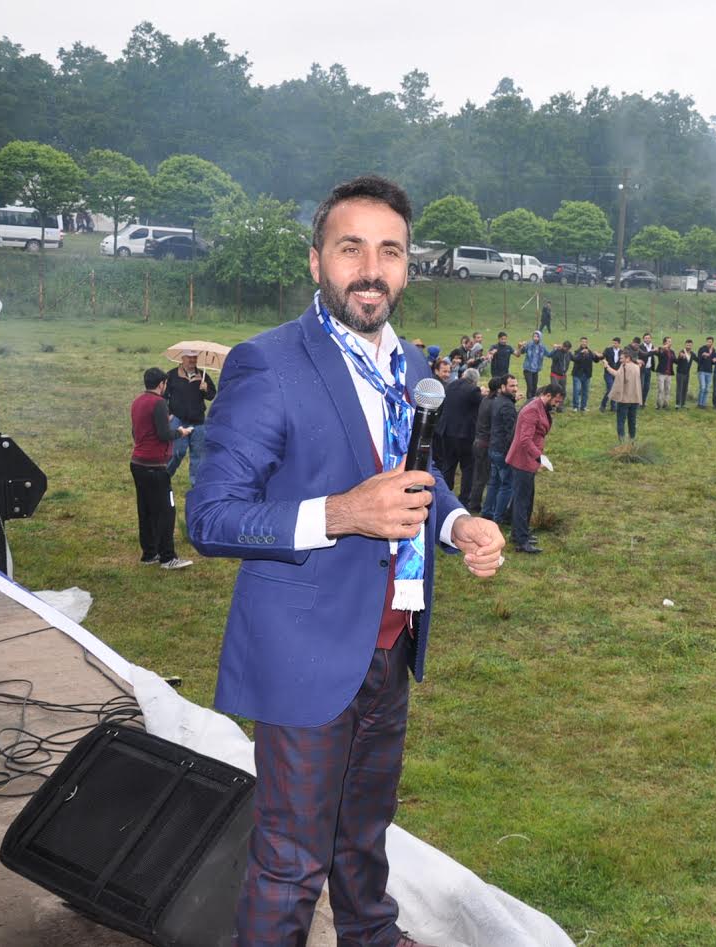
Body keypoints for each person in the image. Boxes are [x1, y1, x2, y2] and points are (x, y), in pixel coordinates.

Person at [187, 175, 505, 946]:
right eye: (350, 247)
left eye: (389, 251)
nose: (371, 268)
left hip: (390, 642)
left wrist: (457, 521)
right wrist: (341, 513)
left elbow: (412, 473)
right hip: (305, 648)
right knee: (291, 858)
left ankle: (370, 932)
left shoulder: (409, 361)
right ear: (315, 260)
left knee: (365, 829)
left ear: (407, 267)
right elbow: (210, 515)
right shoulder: (268, 363)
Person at [131, 367, 193, 569]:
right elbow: (164, 435)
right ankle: (168, 558)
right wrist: (181, 432)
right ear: (161, 384)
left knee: (146, 510)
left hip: (138, 463)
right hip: (155, 466)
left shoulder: (137, 401)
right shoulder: (159, 403)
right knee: (167, 511)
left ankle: (149, 554)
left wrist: (163, 423)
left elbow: (137, 431)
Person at [506, 382, 563, 554]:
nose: (557, 405)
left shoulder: (540, 407)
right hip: (523, 461)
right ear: (547, 395)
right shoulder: (532, 410)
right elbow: (525, 440)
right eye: (556, 401)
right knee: (522, 501)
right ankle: (521, 541)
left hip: (528, 461)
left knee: (525, 499)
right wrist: (540, 457)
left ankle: (518, 533)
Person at [164, 350, 216, 485]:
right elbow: (163, 395)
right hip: (178, 420)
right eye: (189, 357)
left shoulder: (203, 376)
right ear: (182, 358)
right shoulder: (171, 375)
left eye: (194, 357)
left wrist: (206, 389)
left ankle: (196, 485)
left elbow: (211, 395)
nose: (193, 360)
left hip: (198, 422)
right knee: (177, 452)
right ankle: (164, 478)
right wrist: (167, 413)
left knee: (198, 456)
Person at [437, 367, 481, 499]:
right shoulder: (473, 390)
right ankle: (464, 498)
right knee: (467, 468)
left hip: (446, 432)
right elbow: (481, 405)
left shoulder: (450, 386)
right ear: (474, 381)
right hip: (464, 435)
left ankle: (445, 495)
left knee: (448, 466)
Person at [483, 375, 522, 523]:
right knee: (507, 485)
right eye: (512, 386)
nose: (515, 388)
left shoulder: (498, 400)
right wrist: (510, 454)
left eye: (516, 385)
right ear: (503, 387)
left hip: (493, 447)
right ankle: (497, 518)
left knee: (494, 483)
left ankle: (487, 512)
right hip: (502, 451)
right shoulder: (507, 406)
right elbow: (510, 433)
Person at [467, 374, 502, 514]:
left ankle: (473, 501)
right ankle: (474, 505)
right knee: (482, 477)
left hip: (478, 441)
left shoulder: (485, 400)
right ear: (499, 389)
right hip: (485, 444)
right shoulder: (494, 404)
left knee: (478, 475)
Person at [607, 346, 644, 442]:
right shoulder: (637, 367)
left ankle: (622, 441)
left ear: (628, 358)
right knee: (632, 421)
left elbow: (616, 374)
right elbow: (637, 365)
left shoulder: (624, 367)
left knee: (621, 421)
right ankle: (632, 440)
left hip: (624, 399)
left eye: (622, 358)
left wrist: (607, 366)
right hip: (635, 398)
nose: (620, 360)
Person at [569, 337, 600, 413]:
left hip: (587, 375)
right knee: (577, 390)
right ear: (580, 342)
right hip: (577, 374)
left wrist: (597, 355)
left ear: (587, 343)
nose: (584, 343)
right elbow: (575, 359)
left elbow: (596, 361)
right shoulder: (577, 351)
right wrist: (581, 353)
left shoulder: (590, 352)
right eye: (582, 342)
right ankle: (575, 407)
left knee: (585, 392)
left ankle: (583, 407)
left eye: (585, 342)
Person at [518, 330, 549, 397]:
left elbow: (549, 354)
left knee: (534, 387)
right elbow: (522, 352)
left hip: (536, 370)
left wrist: (556, 350)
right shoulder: (529, 345)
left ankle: (533, 400)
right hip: (528, 369)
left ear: (540, 337)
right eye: (534, 336)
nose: (535, 338)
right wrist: (521, 346)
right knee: (530, 386)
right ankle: (529, 400)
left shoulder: (542, 347)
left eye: (537, 336)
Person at [599, 337, 623, 412]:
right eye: (613, 343)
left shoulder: (622, 352)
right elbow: (602, 356)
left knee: (615, 389)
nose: (614, 344)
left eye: (615, 343)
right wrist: (602, 359)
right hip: (608, 372)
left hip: (617, 373)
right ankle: (603, 405)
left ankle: (613, 406)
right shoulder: (608, 350)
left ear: (619, 344)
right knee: (610, 388)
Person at [696, 337, 716, 408]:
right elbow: (698, 360)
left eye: (710, 342)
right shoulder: (702, 349)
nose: (709, 343)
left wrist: (715, 361)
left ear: (712, 342)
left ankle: (704, 404)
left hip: (709, 371)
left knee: (707, 389)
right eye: (708, 341)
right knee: (703, 387)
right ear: (706, 342)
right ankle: (699, 404)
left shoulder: (713, 350)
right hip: (702, 371)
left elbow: (712, 362)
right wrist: (703, 355)